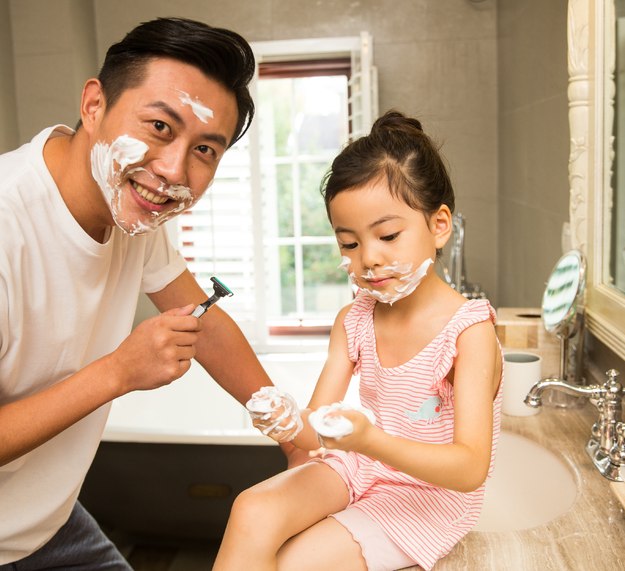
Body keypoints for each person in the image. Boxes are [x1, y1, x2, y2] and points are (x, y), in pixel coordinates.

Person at [0, 17, 290, 571]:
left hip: (37, 517)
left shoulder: (132, 209)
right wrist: (117, 372)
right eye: (161, 127)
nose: (173, 171)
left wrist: (294, 434)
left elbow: (205, 325)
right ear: (94, 105)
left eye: (206, 150)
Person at [213, 110, 505, 571]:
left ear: (440, 225)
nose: (368, 258)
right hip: (360, 466)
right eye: (348, 243)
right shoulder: (354, 319)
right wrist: (287, 421)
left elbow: (469, 469)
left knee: (291, 563)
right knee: (251, 509)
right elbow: (314, 434)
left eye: (388, 235)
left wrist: (369, 440)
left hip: (427, 496)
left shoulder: (469, 331)